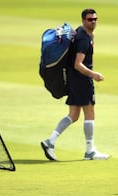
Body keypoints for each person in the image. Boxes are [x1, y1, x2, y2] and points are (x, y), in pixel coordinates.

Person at [40, 8, 110, 161]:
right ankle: (90, 151)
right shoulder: (84, 39)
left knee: (74, 115)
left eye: (95, 19)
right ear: (84, 20)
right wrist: (94, 75)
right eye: (90, 19)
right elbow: (78, 64)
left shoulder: (80, 32)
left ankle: (50, 142)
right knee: (89, 112)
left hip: (73, 79)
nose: (93, 22)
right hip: (81, 80)